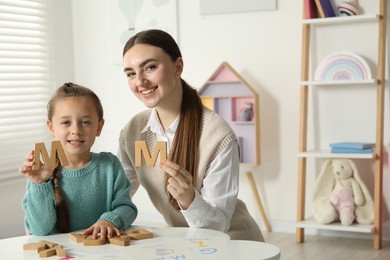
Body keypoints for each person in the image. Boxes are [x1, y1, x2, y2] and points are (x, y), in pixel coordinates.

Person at [118, 29, 264, 241]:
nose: (140, 81)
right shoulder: (132, 131)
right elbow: (118, 196)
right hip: (187, 243)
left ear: (178, 67)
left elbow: (217, 226)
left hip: (234, 242)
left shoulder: (217, 135)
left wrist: (190, 199)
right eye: (131, 73)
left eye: (150, 67)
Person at [20, 83, 138, 238]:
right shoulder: (41, 173)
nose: (76, 130)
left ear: (99, 127)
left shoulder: (110, 165)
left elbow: (126, 207)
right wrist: (40, 184)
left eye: (85, 122)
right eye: (66, 122)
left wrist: (110, 220)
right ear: (51, 127)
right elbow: (40, 230)